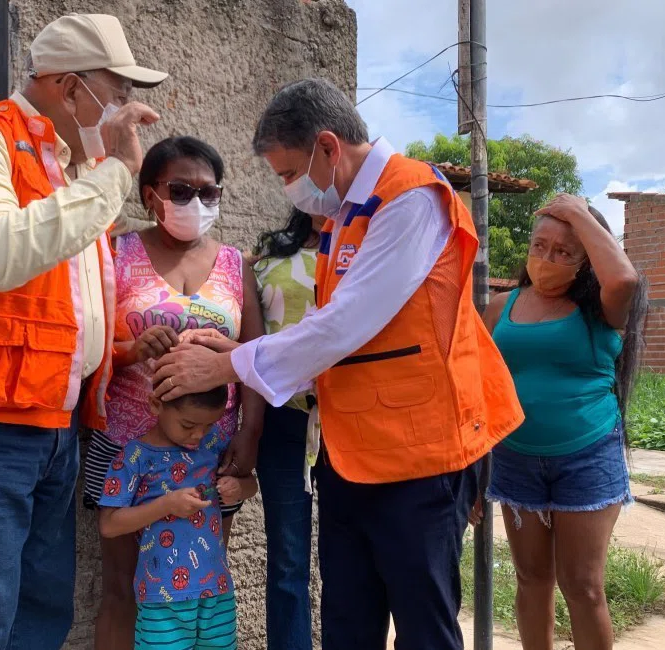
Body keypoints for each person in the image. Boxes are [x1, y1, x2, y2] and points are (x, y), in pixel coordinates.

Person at [152, 77, 525, 650]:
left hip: (421, 455)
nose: (288, 190)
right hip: (352, 455)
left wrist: (226, 369)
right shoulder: (346, 217)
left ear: (327, 147)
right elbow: (331, 342)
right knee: (348, 623)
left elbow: (347, 324)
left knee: (424, 629)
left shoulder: (411, 199)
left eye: (287, 173)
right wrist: (240, 355)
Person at [0, 14, 166, 650]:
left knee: (39, 620)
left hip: (52, 424)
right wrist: (115, 174)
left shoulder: (69, 172)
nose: (129, 108)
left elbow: (66, 306)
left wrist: (119, 352)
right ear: (73, 89)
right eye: (118, 89)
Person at [81, 136, 265, 649]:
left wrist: (248, 437)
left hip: (209, 451)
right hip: (123, 446)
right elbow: (86, 347)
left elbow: (255, 356)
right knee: (121, 589)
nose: (197, 203)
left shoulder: (236, 265)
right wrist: (130, 349)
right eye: (181, 190)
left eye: (210, 193)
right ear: (148, 195)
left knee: (197, 588)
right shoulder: (115, 251)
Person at [469, 194, 646, 650]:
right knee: (531, 580)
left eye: (564, 252)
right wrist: (470, 470)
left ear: (587, 262)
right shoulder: (501, 308)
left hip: (586, 457)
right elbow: (477, 388)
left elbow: (625, 278)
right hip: (515, 460)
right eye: (539, 245)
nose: (546, 259)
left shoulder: (603, 310)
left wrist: (581, 215)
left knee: (583, 587)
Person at [98, 384, 258, 650]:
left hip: (216, 592)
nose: (198, 435)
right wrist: (167, 505)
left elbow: (250, 484)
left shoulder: (213, 443)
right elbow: (109, 524)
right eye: (188, 425)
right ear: (156, 405)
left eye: (208, 425)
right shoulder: (133, 458)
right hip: (162, 599)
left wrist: (238, 488)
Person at [249, 208, 321, 649]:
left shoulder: (367, 254)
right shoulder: (266, 259)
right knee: (288, 560)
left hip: (348, 423)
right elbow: (252, 341)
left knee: (348, 560)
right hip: (283, 420)